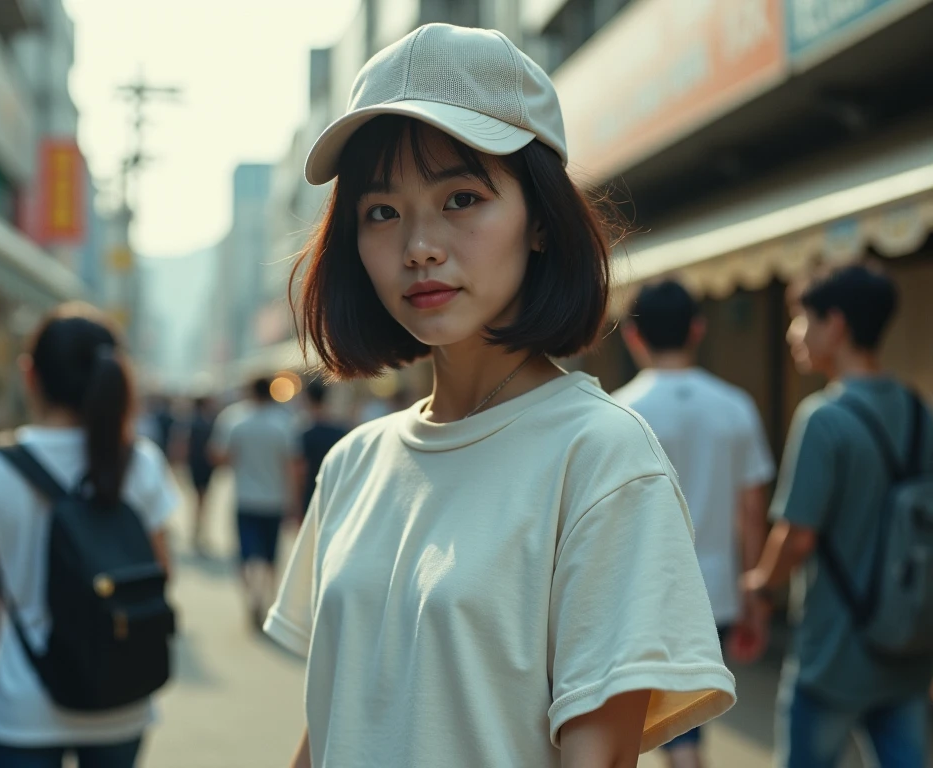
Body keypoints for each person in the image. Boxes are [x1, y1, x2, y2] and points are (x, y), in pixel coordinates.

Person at [265, 23, 735, 768]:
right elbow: (331, 720)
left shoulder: (602, 458)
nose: (419, 244)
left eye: (461, 197)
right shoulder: (353, 462)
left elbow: (599, 759)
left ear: (541, 221)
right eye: (381, 211)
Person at [0, 303, 178, 768]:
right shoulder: (140, 462)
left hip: (20, 706)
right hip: (120, 697)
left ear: (31, 376)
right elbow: (161, 574)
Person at [742, 264, 933, 767]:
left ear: (837, 325)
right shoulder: (918, 410)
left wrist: (760, 588)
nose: (792, 332)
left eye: (802, 317)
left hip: (835, 652)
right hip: (907, 643)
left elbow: (797, 537)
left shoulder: (823, 418)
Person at [613, 280, 775, 768]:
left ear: (632, 337)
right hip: (717, 589)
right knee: (691, 711)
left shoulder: (618, 412)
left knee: (667, 714)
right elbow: (751, 510)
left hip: (646, 588)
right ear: (697, 330)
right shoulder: (735, 405)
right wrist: (754, 598)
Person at [210, 377, 297, 630]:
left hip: (244, 498)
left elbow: (221, 456)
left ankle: (251, 597)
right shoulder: (284, 422)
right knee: (271, 556)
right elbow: (290, 466)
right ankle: (267, 598)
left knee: (246, 555)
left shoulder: (235, 419)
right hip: (274, 500)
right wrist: (292, 502)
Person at [293, 382, 347, 519]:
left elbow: (300, 472)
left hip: (312, 495)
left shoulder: (305, 433)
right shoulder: (339, 430)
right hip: (336, 494)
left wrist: (296, 506)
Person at [184, 395, 217, 554]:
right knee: (201, 502)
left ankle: (197, 532)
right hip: (202, 466)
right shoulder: (204, 422)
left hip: (196, 465)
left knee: (199, 501)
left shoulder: (192, 422)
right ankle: (198, 533)